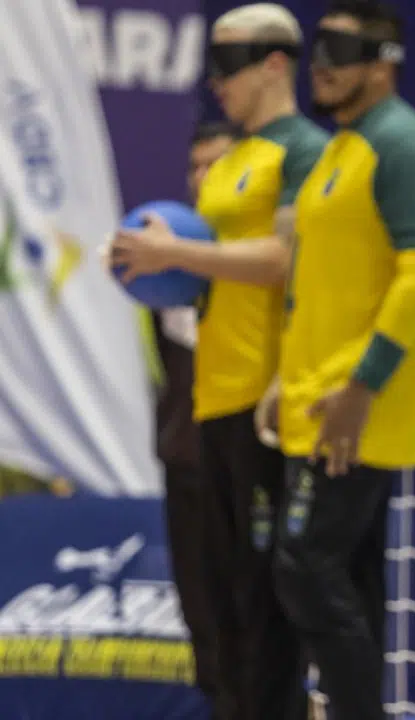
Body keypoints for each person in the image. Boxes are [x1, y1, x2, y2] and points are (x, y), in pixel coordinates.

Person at [109, 4, 329, 719]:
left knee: (268, 610)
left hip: (270, 401)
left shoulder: (302, 149)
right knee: (220, 609)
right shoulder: (228, 163)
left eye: (229, 64)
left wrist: (171, 252)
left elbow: (285, 259)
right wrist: (152, 262)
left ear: (275, 64)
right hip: (213, 399)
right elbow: (209, 275)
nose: (216, 81)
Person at [258, 2, 415, 718]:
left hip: (353, 405)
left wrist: (361, 385)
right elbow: (321, 283)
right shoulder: (343, 146)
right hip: (319, 394)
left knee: (304, 566)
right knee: (352, 576)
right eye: (318, 49)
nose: (321, 66)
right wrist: (287, 375)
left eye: (340, 50)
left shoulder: (401, 142)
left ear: (384, 62)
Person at [154, 119, 237, 714]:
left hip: (245, 459)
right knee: (201, 617)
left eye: (217, 164)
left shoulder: (265, 254)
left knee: (255, 618)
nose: (203, 177)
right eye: (195, 167)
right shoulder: (162, 254)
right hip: (185, 459)